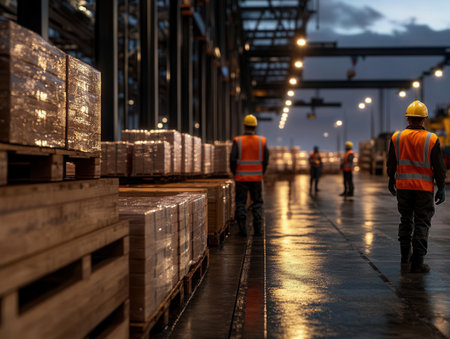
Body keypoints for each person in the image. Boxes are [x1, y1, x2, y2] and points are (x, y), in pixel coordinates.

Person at [387, 100, 446, 273]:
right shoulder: (431, 139)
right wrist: (441, 187)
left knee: (406, 220)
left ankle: (405, 258)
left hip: (403, 187)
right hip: (424, 189)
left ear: (408, 119)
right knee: (422, 223)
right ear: (424, 119)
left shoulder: (396, 137)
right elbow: (439, 166)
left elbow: (391, 162)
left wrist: (391, 179)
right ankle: (417, 263)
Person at [230, 114, 269, 236]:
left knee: (241, 202)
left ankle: (242, 229)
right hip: (257, 178)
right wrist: (261, 172)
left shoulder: (238, 141)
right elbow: (266, 159)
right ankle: (258, 230)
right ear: (255, 127)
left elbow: (232, 159)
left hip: (241, 178)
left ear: (244, 126)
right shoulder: (261, 141)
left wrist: (235, 173)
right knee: (257, 202)